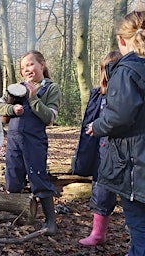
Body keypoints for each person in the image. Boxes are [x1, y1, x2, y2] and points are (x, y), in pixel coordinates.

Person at [87, 10, 145, 255]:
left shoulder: (127, 70)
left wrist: (97, 126)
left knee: (140, 232)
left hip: (136, 165)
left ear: (122, 41)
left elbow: (120, 115)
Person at [0, 50, 61, 235]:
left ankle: (50, 222)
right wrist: (12, 109)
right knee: (13, 178)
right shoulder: (16, 88)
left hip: (35, 141)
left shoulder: (51, 88)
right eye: (23, 67)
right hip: (14, 141)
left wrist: (32, 97)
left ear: (42, 64)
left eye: (30, 64)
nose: (27, 69)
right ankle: (16, 216)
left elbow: (48, 117)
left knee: (38, 177)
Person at [75, 51, 122, 246]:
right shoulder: (97, 94)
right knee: (101, 191)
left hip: (123, 151)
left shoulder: (125, 94)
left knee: (131, 197)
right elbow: (89, 122)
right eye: (106, 70)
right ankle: (98, 233)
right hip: (102, 152)